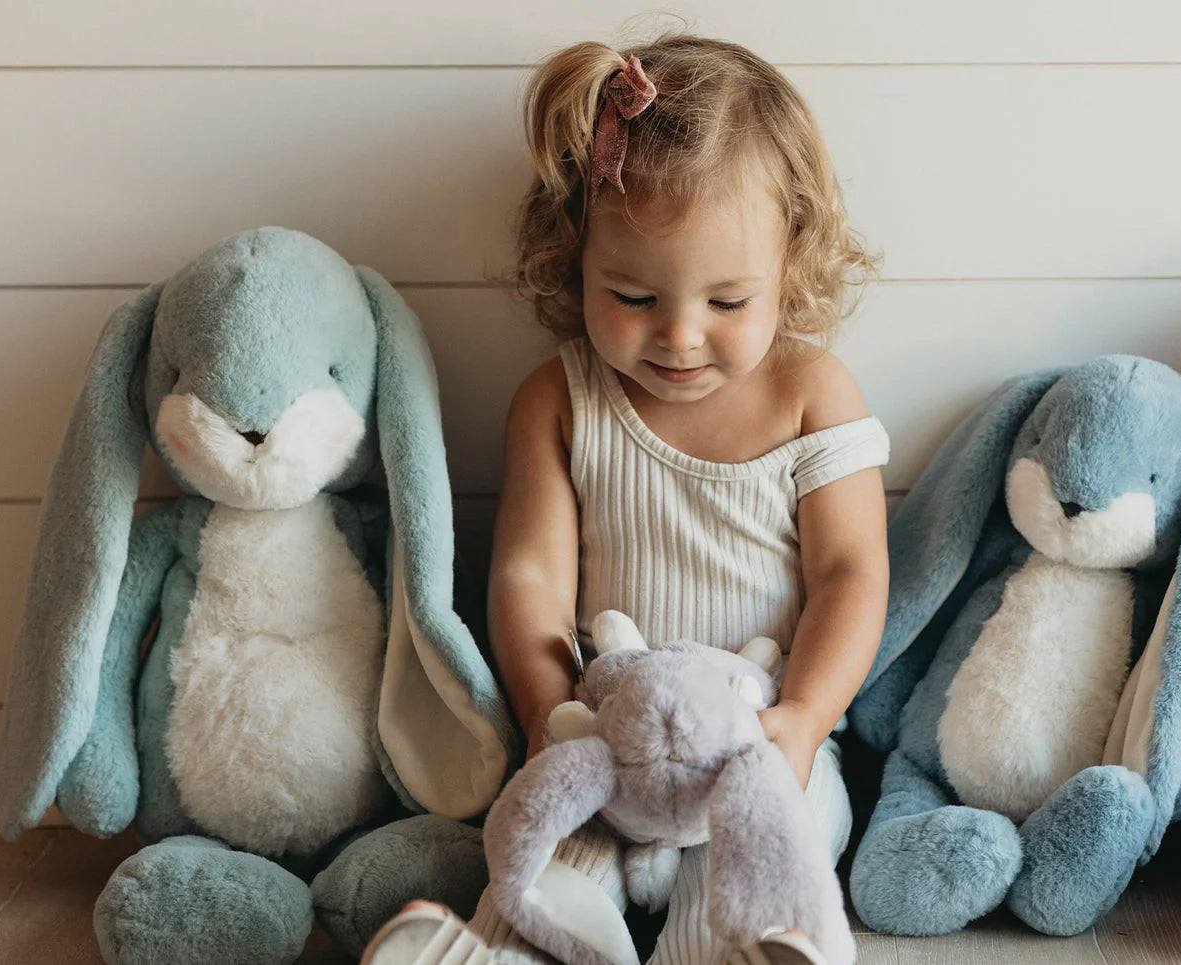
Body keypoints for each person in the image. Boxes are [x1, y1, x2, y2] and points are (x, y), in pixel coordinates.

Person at [362, 32, 889, 965]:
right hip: (604, 736)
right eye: (634, 295)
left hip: (761, 744)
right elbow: (529, 575)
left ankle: (745, 949)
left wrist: (805, 716)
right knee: (556, 853)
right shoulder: (559, 400)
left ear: (791, 260)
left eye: (728, 302)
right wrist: (545, 713)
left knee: (775, 845)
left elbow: (851, 574)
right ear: (576, 252)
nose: (681, 336)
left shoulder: (815, 393)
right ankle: (502, 948)